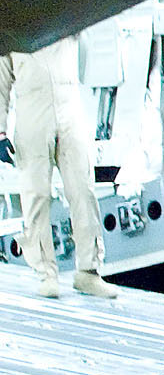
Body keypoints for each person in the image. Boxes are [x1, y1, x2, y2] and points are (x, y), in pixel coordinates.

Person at [5, 38, 115, 299]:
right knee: (36, 194)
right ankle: (46, 274)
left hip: (69, 105)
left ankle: (89, 272)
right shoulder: (11, 27)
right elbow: (1, 82)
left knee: (82, 190)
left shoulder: (63, 16)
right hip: (32, 110)